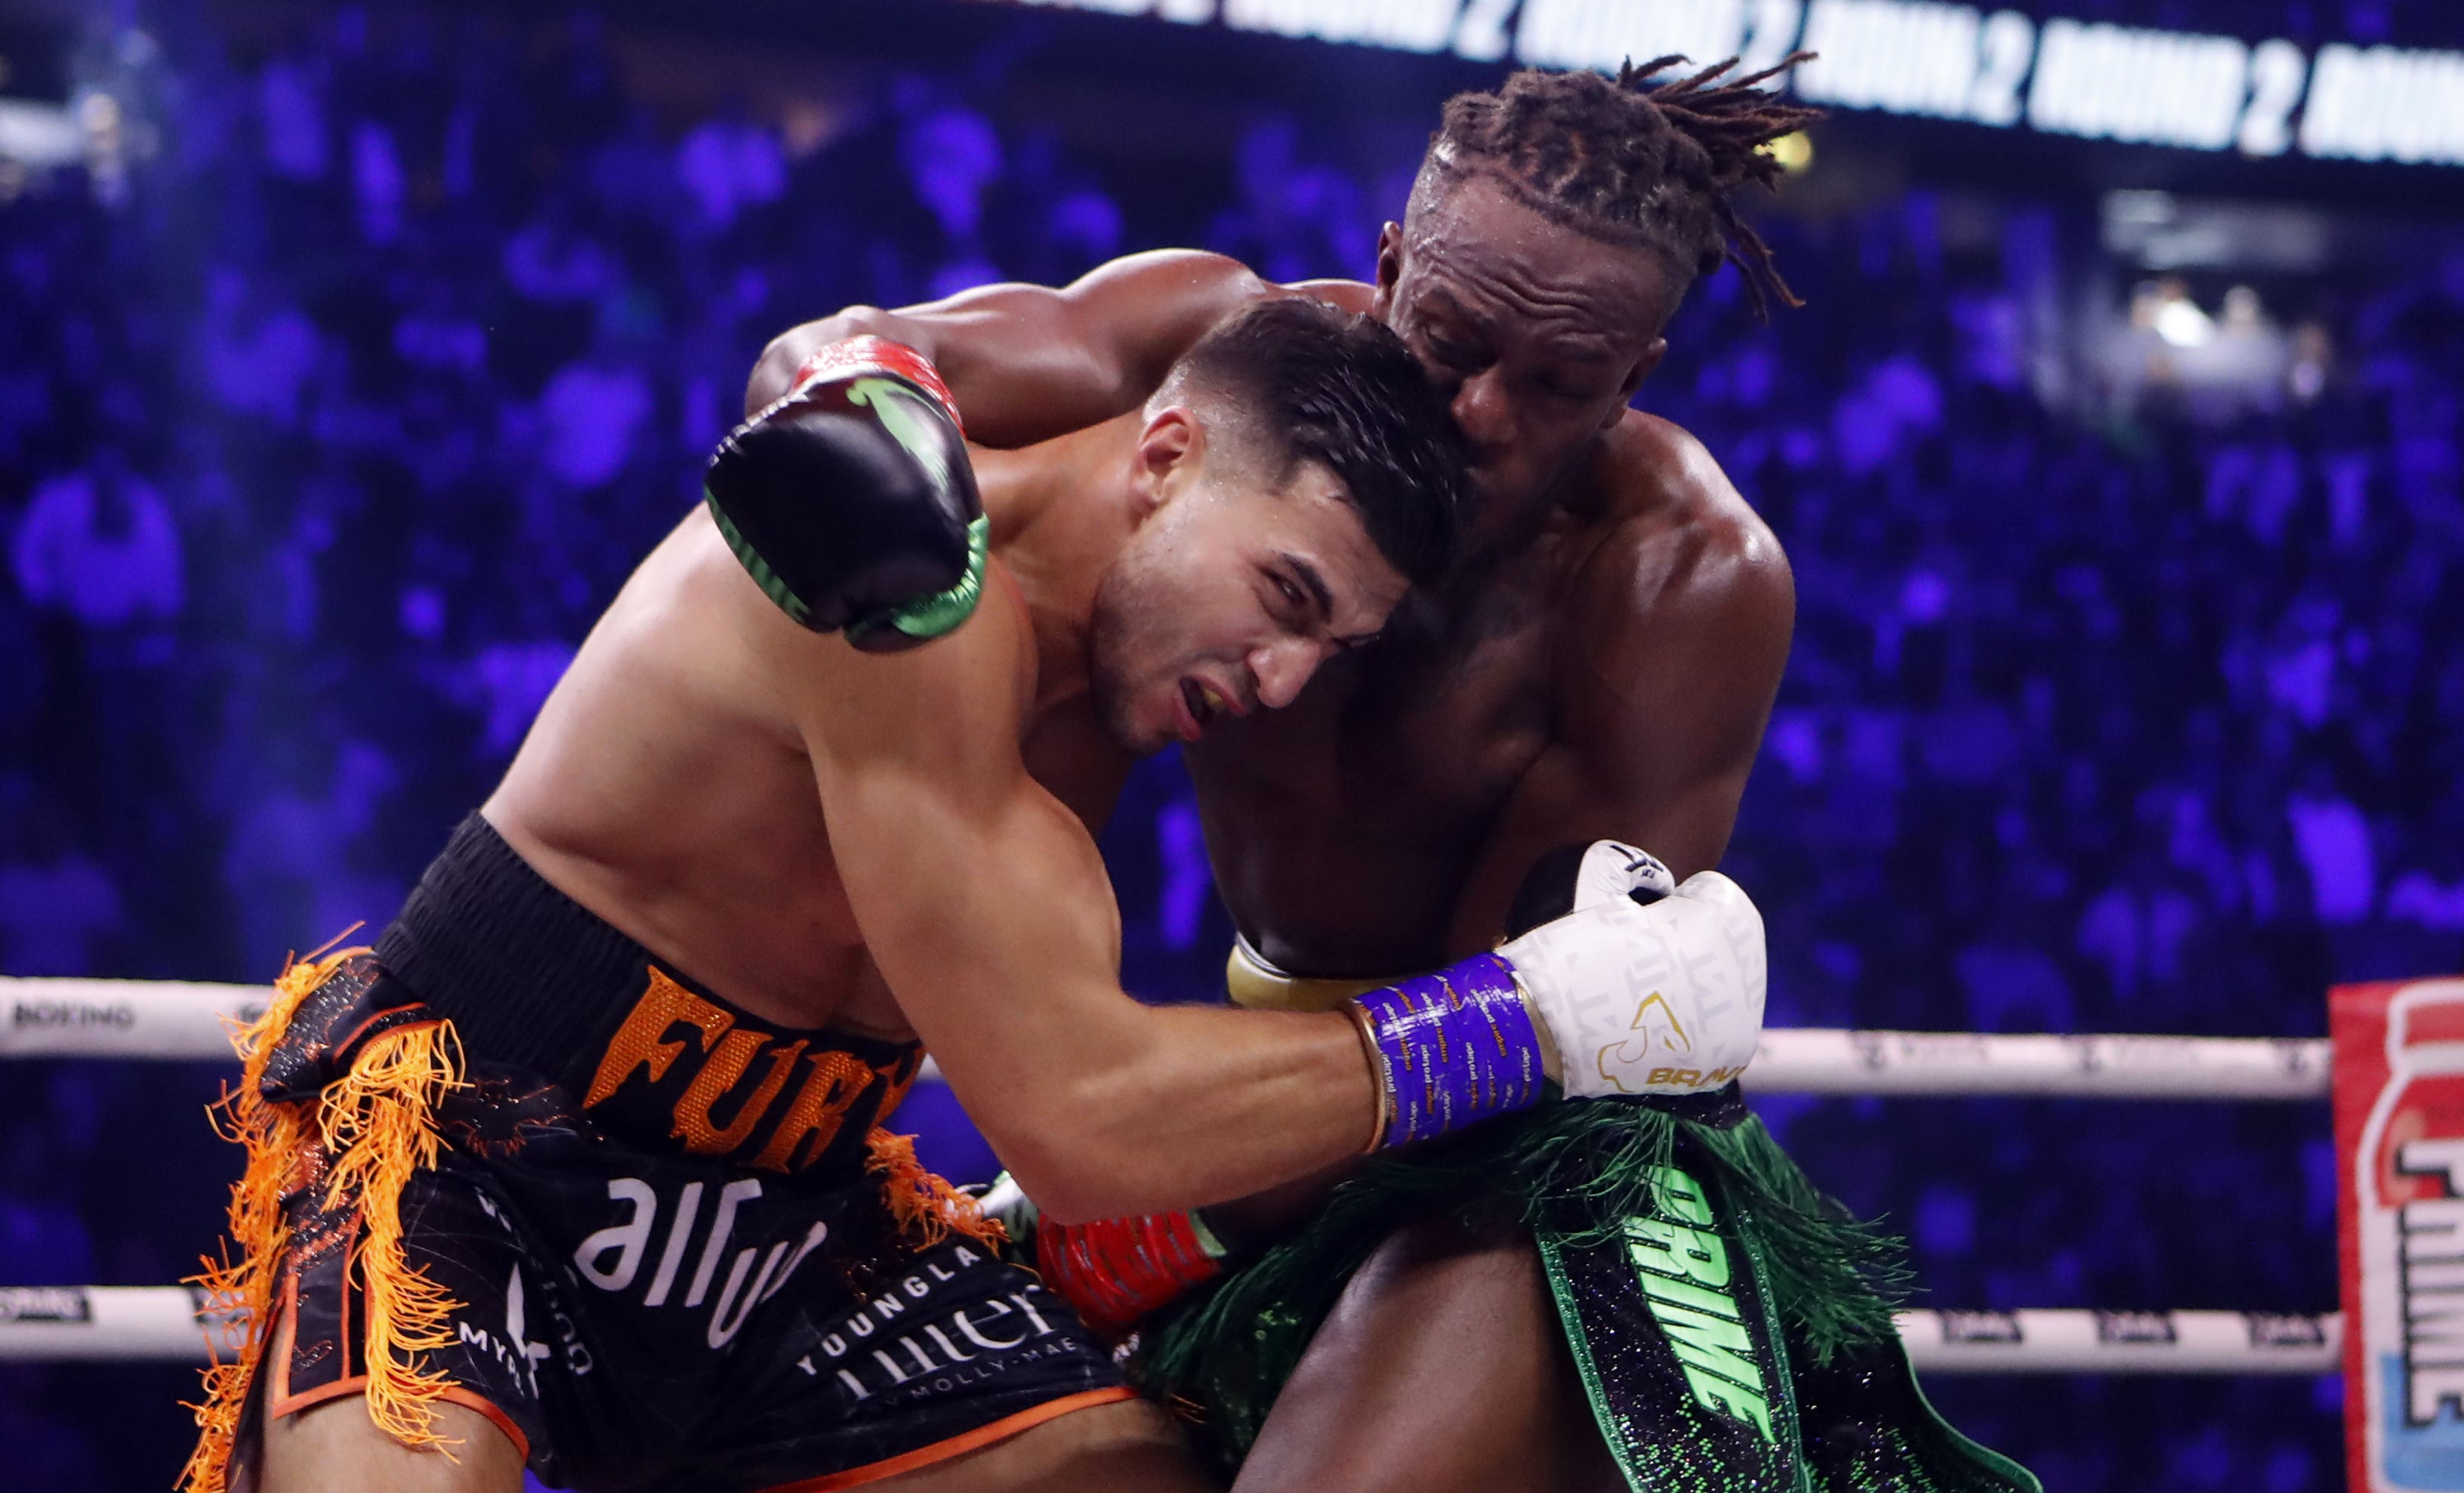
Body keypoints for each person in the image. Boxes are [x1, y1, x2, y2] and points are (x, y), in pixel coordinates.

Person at [184, 298, 1770, 1493]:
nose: (1281, 680)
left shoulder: (1132, 690)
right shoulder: (900, 593)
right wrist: (1537, 1013)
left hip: (785, 1242)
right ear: (1163, 457)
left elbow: (1092, 1113)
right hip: (483, 1171)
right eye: (1285, 596)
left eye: (1329, 647)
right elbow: (1081, 1113)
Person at [749, 60, 2036, 1491]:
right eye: (1451, 344)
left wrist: (1157, 1206)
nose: (1484, 415)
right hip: (1245, 1097)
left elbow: (1533, 1033)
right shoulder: (1224, 352)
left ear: (1636, 377)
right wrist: (871, 455)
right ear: (1388, 266)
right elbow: (843, 351)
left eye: (1558, 386)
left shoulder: (1676, 577)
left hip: (1522, 1151)